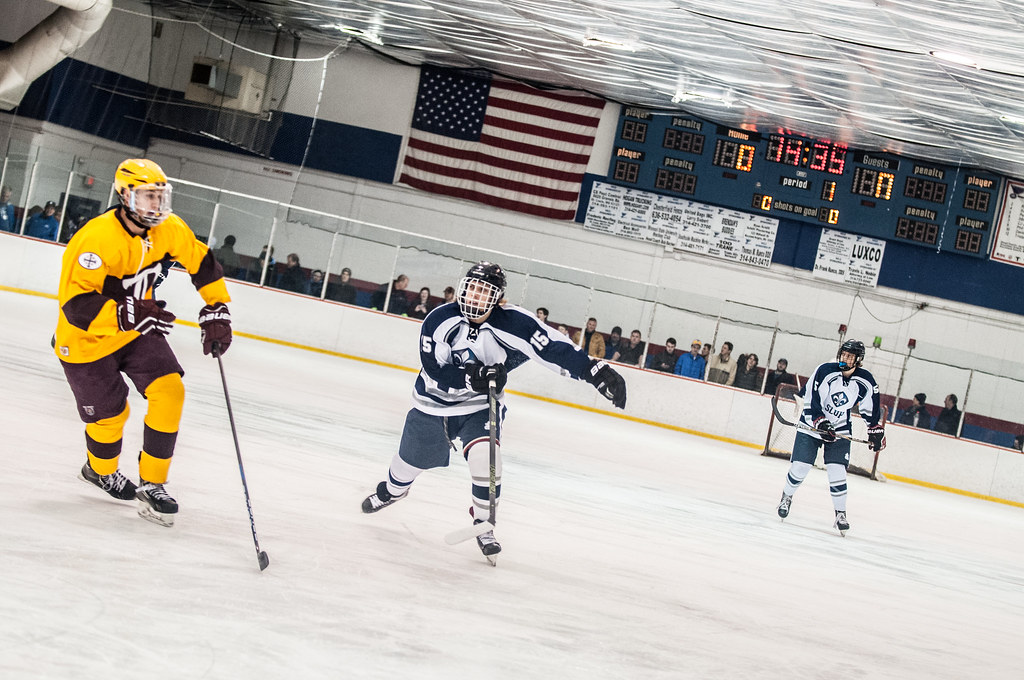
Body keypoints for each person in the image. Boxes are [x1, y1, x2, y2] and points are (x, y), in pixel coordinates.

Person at [360, 262, 627, 561]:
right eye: (471, 288)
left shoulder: (514, 322)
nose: (474, 296)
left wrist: (594, 371)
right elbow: (434, 368)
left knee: (486, 460)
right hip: (431, 404)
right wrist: (469, 377)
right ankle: (393, 492)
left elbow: (553, 347)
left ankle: (484, 523)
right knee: (405, 469)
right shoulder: (439, 319)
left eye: (483, 291)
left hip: (479, 406)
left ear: (497, 298)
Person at [54, 158, 232, 527]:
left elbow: (201, 262)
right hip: (86, 339)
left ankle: (153, 483)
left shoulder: (170, 229)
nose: (156, 204)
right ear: (125, 195)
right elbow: (76, 305)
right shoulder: (96, 238)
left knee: (170, 391)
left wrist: (218, 307)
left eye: (160, 196)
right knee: (112, 416)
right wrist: (122, 314)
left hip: (138, 328)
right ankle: (99, 471)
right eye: (148, 196)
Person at [776, 340, 885, 535]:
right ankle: (787, 496)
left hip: (840, 427)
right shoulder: (825, 370)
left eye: (850, 356)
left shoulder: (866, 380)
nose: (846, 358)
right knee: (801, 467)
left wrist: (875, 429)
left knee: (838, 472)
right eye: (844, 354)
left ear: (858, 360)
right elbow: (811, 400)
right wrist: (820, 422)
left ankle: (840, 514)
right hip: (812, 424)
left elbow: (871, 409)